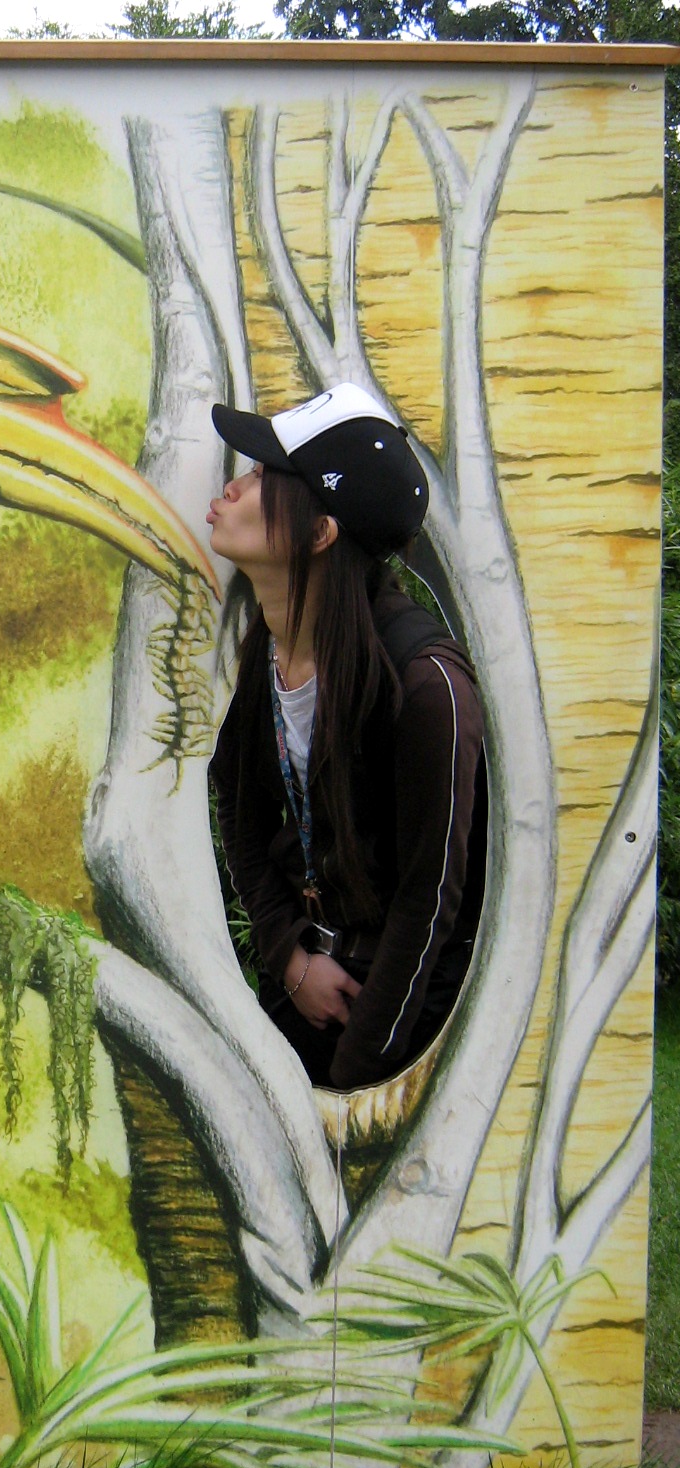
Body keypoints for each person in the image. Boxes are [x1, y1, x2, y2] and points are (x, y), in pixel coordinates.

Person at [207, 384, 486, 1092]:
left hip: (401, 1020)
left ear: (319, 534)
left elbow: (430, 902)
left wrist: (358, 1077)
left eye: (264, 476)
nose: (232, 488)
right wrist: (290, 958)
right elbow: (238, 806)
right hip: (304, 986)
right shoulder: (266, 653)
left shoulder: (425, 688)